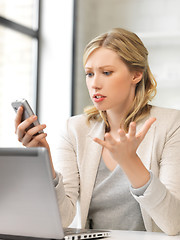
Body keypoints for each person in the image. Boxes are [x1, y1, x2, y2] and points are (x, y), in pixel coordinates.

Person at [14, 28, 180, 236]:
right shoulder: (75, 130)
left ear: (136, 74)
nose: (94, 83)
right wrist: (43, 159)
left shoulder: (172, 124)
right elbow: (62, 218)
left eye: (107, 72)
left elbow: (173, 222)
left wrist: (131, 162)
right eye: (90, 73)